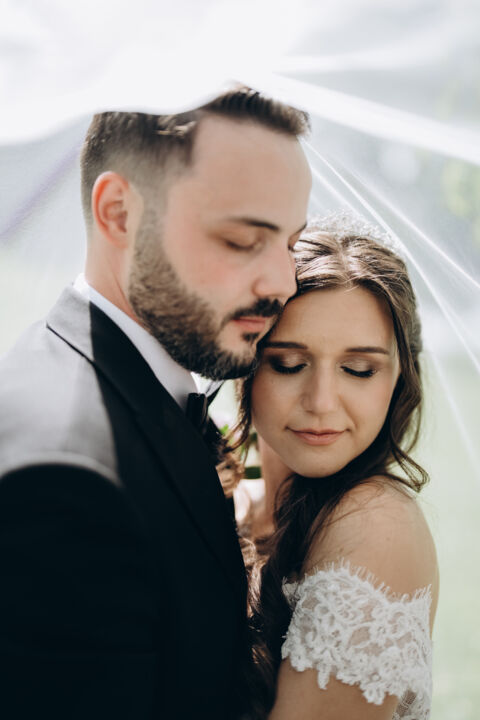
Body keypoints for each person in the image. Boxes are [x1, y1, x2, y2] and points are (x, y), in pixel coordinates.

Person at [0, 88, 312, 719]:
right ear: (119, 214)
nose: (284, 283)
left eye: (291, 243)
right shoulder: (64, 482)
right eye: (243, 240)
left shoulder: (124, 384)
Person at [230, 212, 439, 719]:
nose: (322, 401)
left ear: (398, 380)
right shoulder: (236, 503)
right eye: (288, 364)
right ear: (245, 364)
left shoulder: (373, 522)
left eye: (358, 369)